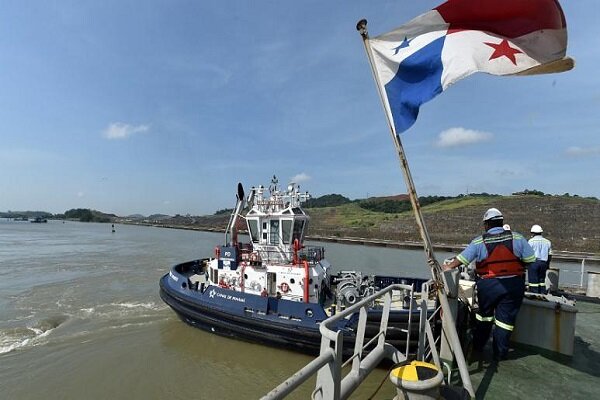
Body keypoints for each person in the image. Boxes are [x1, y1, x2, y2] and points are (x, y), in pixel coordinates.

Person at [443, 208, 536, 361]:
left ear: (486, 225)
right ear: (502, 222)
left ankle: (478, 347)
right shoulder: (518, 238)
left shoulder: (479, 241)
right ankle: (500, 353)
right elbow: (531, 259)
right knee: (505, 322)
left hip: (488, 285)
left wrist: (448, 267)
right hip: (513, 285)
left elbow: (463, 259)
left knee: (484, 317)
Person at [528, 224, 553, 294]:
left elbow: (528, 253)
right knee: (541, 280)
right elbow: (550, 254)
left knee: (533, 280)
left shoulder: (531, 241)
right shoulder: (547, 242)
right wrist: (547, 264)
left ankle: (534, 293)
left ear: (533, 233)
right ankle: (542, 292)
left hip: (534, 263)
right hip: (543, 263)